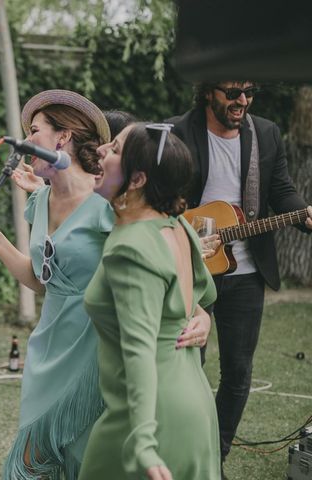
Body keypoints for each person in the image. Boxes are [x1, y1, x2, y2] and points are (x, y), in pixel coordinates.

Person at [0, 90, 113, 479]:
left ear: (62, 138)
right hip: (48, 344)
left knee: (83, 459)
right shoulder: (41, 201)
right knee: (31, 460)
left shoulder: (106, 205)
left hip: (94, 348)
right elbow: (41, 279)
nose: (26, 141)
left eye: (34, 130)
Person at [167, 82, 312, 474]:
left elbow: (282, 190)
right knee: (185, 369)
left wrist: (304, 214)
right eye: (233, 91)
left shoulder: (265, 133)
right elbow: (163, 196)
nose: (242, 101)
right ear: (208, 91)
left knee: (238, 373)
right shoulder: (178, 131)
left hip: (247, 272)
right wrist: (186, 233)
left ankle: (214, 457)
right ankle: (183, 453)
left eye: (249, 91)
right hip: (192, 270)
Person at [79, 123, 219, 480]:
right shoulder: (176, 226)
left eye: (113, 149)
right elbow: (196, 297)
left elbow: (139, 348)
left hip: (148, 415)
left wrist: (142, 441)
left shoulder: (132, 247)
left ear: (138, 179)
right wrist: (201, 317)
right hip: (193, 401)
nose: (100, 151)